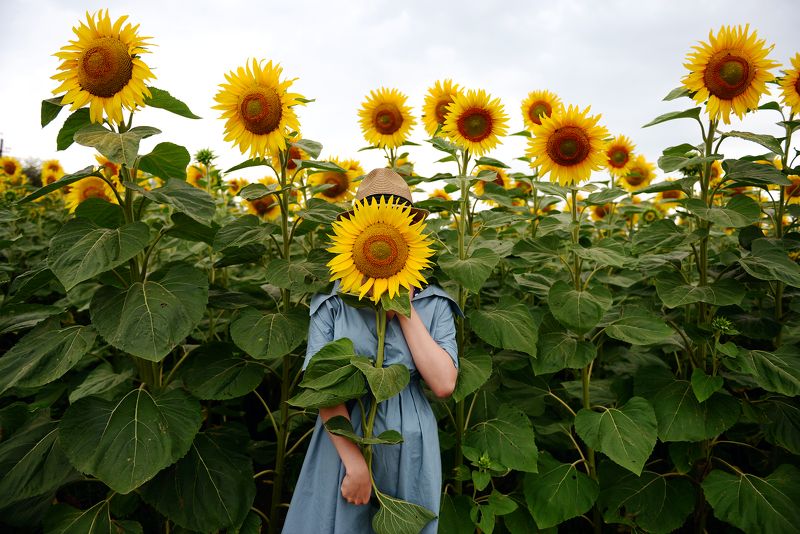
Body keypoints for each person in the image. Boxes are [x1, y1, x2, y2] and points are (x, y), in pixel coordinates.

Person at [282, 168, 461, 534]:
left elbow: (443, 384)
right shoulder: (333, 303)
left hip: (409, 442)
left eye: (395, 221)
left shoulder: (433, 303)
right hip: (343, 436)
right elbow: (322, 388)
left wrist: (405, 311)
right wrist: (355, 463)